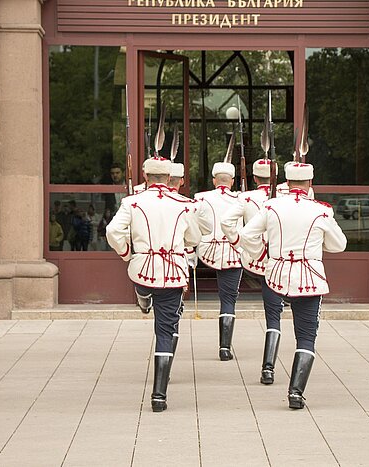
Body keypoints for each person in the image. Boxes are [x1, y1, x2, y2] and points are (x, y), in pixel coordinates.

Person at [238, 162, 347, 409]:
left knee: (273, 321)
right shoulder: (321, 211)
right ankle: (295, 393)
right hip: (309, 278)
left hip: (276, 275)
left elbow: (247, 235)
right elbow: (339, 244)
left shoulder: (271, 206)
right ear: (310, 183)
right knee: (306, 337)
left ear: (286, 182)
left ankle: (270, 368)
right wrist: (319, 246)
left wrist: (260, 255)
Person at [106, 157, 201, 412]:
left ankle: (143, 294)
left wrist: (127, 252)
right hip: (172, 271)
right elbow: (194, 237)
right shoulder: (184, 204)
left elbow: (112, 231)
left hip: (143, 269)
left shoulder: (132, 202)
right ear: (169, 178)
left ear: (146, 177)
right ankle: (159, 396)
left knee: (143, 286)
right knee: (165, 332)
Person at [221, 158, 284, 384]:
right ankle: (268, 367)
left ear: (255, 178)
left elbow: (227, 222)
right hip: (284, 262)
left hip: (258, 262)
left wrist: (241, 244)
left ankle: (268, 368)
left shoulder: (245, 197)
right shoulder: (286, 197)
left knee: (272, 314)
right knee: (277, 316)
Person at [195, 160, 242, 361]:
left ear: (214, 180)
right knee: (228, 300)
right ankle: (224, 348)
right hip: (233, 251)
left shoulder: (200, 198)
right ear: (232, 181)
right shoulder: (241, 199)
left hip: (207, 251)